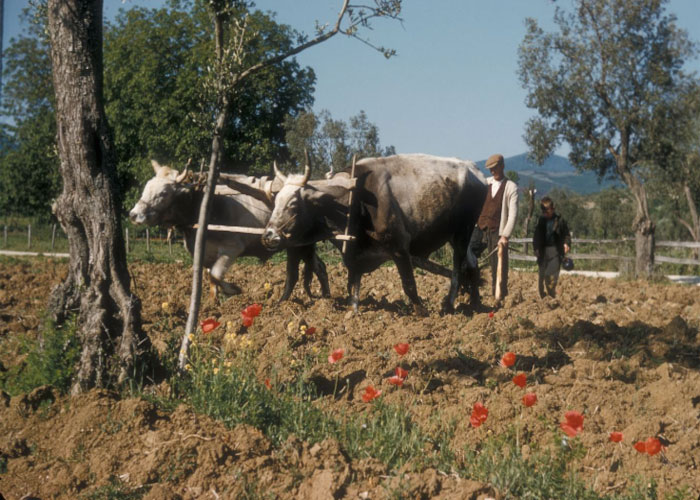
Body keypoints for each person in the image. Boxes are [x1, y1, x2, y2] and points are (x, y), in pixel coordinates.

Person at [468, 153, 519, 307]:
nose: (492, 172)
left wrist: (505, 235)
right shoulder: (486, 183)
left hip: (498, 230)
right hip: (480, 226)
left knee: (497, 264)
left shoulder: (511, 187)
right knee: (468, 254)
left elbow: (513, 214)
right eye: (490, 169)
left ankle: (498, 297)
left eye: (495, 168)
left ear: (502, 166)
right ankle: (470, 290)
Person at [532, 196, 571, 298]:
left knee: (551, 275)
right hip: (542, 251)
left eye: (547, 210)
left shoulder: (560, 221)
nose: (545, 213)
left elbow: (566, 234)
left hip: (555, 250)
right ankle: (541, 295)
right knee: (541, 276)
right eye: (543, 210)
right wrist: (536, 248)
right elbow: (536, 236)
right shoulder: (541, 221)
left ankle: (551, 295)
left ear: (552, 209)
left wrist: (566, 243)